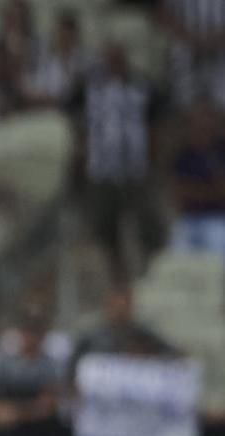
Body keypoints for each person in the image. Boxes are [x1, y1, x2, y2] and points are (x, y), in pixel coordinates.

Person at [68, 43, 167, 283]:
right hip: (101, 168)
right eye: (110, 60)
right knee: (105, 226)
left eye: (118, 59)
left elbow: (155, 123)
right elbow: (74, 118)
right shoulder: (89, 87)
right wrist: (82, 151)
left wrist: (153, 159)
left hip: (137, 167)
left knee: (146, 223)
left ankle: (151, 271)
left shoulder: (142, 85)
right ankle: (116, 277)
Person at [0, 311, 64, 428]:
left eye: (35, 331)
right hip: (2, 423)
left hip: (38, 427)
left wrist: (16, 413)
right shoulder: (1, 361)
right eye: (27, 330)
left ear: (43, 335)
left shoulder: (50, 366)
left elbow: (48, 406)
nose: (31, 337)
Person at [169, 102, 225, 285]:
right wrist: (210, 191)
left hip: (217, 219)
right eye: (198, 122)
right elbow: (179, 194)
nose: (203, 127)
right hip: (189, 219)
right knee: (176, 261)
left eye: (207, 122)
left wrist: (196, 190)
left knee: (219, 255)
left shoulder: (220, 152)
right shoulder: (184, 154)